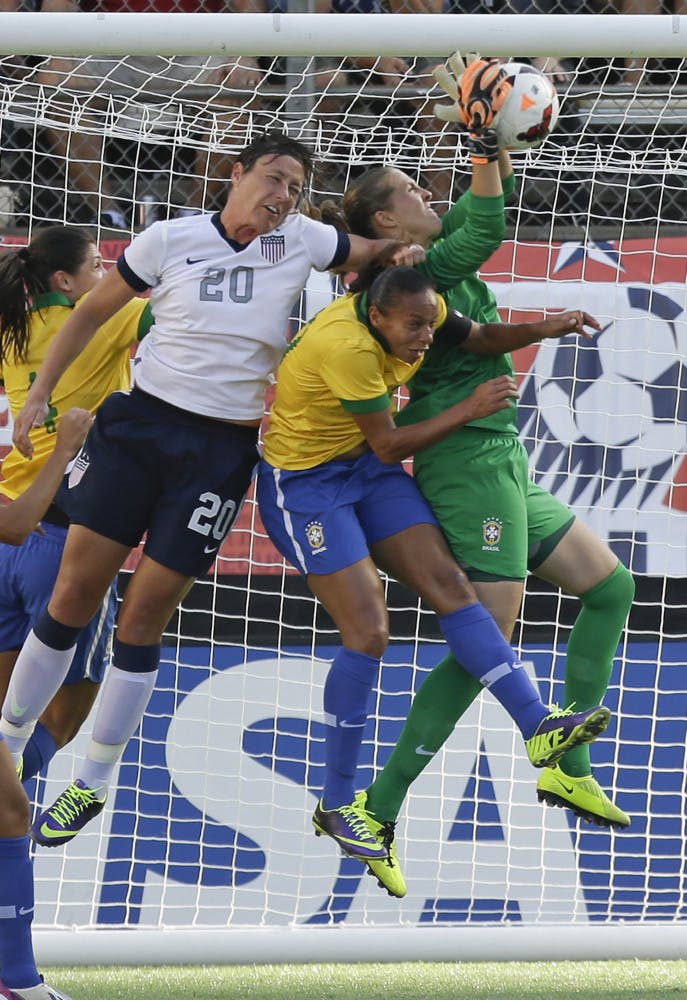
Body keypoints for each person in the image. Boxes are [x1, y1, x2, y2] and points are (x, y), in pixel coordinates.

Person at [4, 130, 424, 848]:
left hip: (220, 449)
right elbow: (93, 312)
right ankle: (6, 747)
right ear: (237, 173)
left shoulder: (301, 239)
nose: (282, 195)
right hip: (136, 429)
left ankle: (92, 784)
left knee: (144, 617)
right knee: (74, 594)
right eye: (274, 177)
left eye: (294, 186)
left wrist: (399, 253)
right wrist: (40, 393)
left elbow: (372, 255)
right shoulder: (167, 239)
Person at [325, 54, 635, 896]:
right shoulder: (420, 275)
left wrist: (481, 129)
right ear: (389, 222)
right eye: (412, 195)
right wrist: (472, 136)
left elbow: (480, 201)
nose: (429, 198)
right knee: (485, 634)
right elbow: (486, 225)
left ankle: (567, 761)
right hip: (467, 467)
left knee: (610, 588)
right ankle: (376, 808)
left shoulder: (427, 257)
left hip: (503, 458)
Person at [255, 263, 610, 864]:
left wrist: (544, 327)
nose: (426, 335)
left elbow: (476, 337)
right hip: (308, 485)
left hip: (365, 470)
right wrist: (469, 408)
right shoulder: (345, 346)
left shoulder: (418, 304)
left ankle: (539, 727)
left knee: (452, 585)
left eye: (429, 322)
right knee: (368, 633)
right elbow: (389, 442)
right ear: (377, 316)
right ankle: (339, 803)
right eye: (415, 327)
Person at [0, 226, 152, 783]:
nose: (106, 277)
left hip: (9, 527)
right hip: (68, 538)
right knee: (61, 721)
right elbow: (186, 322)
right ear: (66, 281)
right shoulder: (104, 316)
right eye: (96, 266)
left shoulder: (11, 329)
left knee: (5, 726)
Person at [0, 406, 91, 1000]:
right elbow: (16, 524)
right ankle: (20, 983)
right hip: (49, 546)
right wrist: (65, 449)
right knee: (12, 811)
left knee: (10, 801)